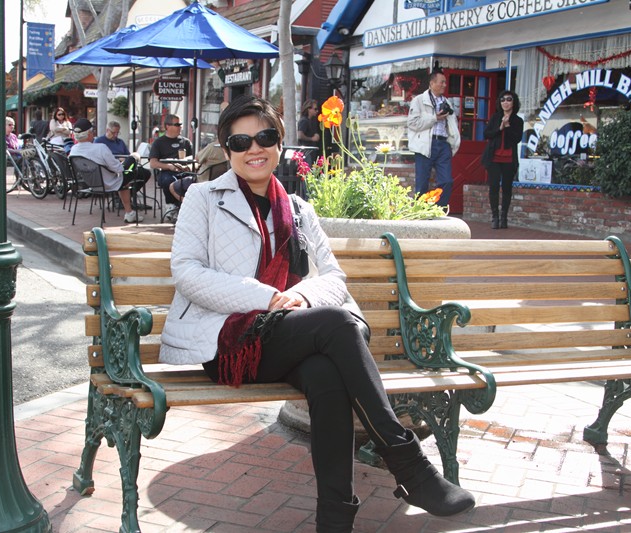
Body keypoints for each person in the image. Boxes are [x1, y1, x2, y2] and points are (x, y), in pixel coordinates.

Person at [159, 95, 475, 532]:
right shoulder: (203, 197)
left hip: (290, 334)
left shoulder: (299, 210)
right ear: (227, 150)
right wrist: (267, 297)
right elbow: (187, 272)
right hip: (230, 344)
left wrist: (302, 298)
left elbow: (333, 277)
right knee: (339, 322)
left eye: (264, 137)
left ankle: (335, 518)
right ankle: (410, 467)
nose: (254, 149)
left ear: (280, 142)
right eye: (240, 142)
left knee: (326, 377)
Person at [69, 118, 145, 224]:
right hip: (109, 183)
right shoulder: (100, 148)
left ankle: (128, 211)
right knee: (130, 166)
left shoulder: (73, 150)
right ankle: (129, 212)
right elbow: (118, 169)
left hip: (89, 184)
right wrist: (131, 159)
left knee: (125, 176)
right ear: (89, 133)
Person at [407, 71, 460, 207]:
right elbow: (412, 123)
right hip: (426, 144)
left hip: (443, 144)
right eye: (441, 82)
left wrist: (453, 142)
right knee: (422, 184)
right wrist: (434, 118)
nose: (444, 85)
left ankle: (438, 210)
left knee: (447, 181)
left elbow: (452, 124)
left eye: (445, 82)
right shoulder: (419, 100)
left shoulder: (447, 102)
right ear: (432, 83)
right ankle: (420, 213)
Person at [481, 90, 524, 229]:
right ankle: (495, 217)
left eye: (509, 99)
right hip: (494, 158)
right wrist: (500, 128)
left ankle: (504, 217)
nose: (505, 102)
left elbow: (517, 138)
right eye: (503, 99)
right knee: (493, 187)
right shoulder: (495, 117)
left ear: (513, 102)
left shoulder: (517, 120)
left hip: (509, 159)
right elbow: (487, 134)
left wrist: (508, 126)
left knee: (507, 188)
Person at [94, 120, 152, 209]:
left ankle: (128, 196)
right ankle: (120, 198)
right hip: (110, 169)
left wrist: (128, 158)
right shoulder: (99, 142)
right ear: (107, 130)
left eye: (117, 133)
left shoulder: (120, 142)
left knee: (145, 173)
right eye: (113, 133)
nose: (115, 135)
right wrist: (117, 159)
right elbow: (99, 158)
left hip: (123, 166)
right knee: (127, 174)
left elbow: (127, 155)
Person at [148, 115, 194, 204]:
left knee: (194, 180)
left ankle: (187, 205)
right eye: (177, 124)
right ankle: (171, 205)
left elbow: (195, 158)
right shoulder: (158, 142)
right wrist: (169, 166)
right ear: (167, 126)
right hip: (166, 172)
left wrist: (187, 166)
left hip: (184, 171)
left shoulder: (186, 142)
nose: (180, 127)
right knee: (168, 180)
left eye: (180, 124)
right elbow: (153, 163)